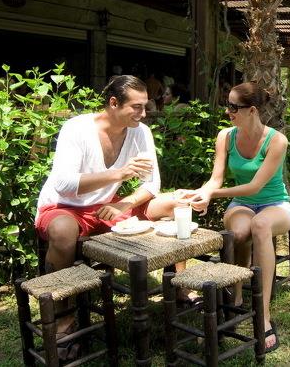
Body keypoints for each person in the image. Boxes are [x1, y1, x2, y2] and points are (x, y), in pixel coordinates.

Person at [34, 75, 188, 337]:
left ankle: (179, 288)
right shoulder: (77, 129)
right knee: (62, 231)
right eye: (136, 107)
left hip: (108, 207)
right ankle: (62, 317)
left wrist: (124, 204)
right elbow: (64, 184)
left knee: (176, 204)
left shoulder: (140, 132)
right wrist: (119, 174)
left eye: (145, 106)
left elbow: (152, 184)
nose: (143, 113)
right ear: (114, 103)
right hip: (65, 206)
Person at [186, 81, 290, 353]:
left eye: (234, 107)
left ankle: (263, 315)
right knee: (240, 232)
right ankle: (235, 297)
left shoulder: (277, 141)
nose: (228, 111)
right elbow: (216, 178)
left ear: (252, 110)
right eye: (227, 105)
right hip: (242, 204)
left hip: (275, 204)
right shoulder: (225, 136)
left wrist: (214, 194)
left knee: (260, 225)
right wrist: (201, 192)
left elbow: (255, 187)